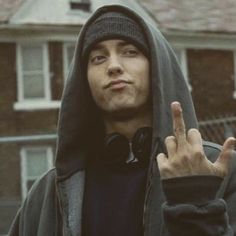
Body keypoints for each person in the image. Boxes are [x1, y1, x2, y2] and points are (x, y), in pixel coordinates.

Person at [9, 4, 236, 236]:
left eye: (130, 52)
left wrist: (196, 204)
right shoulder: (48, 194)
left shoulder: (220, 172)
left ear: (157, 67)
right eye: (98, 58)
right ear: (83, 80)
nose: (114, 66)